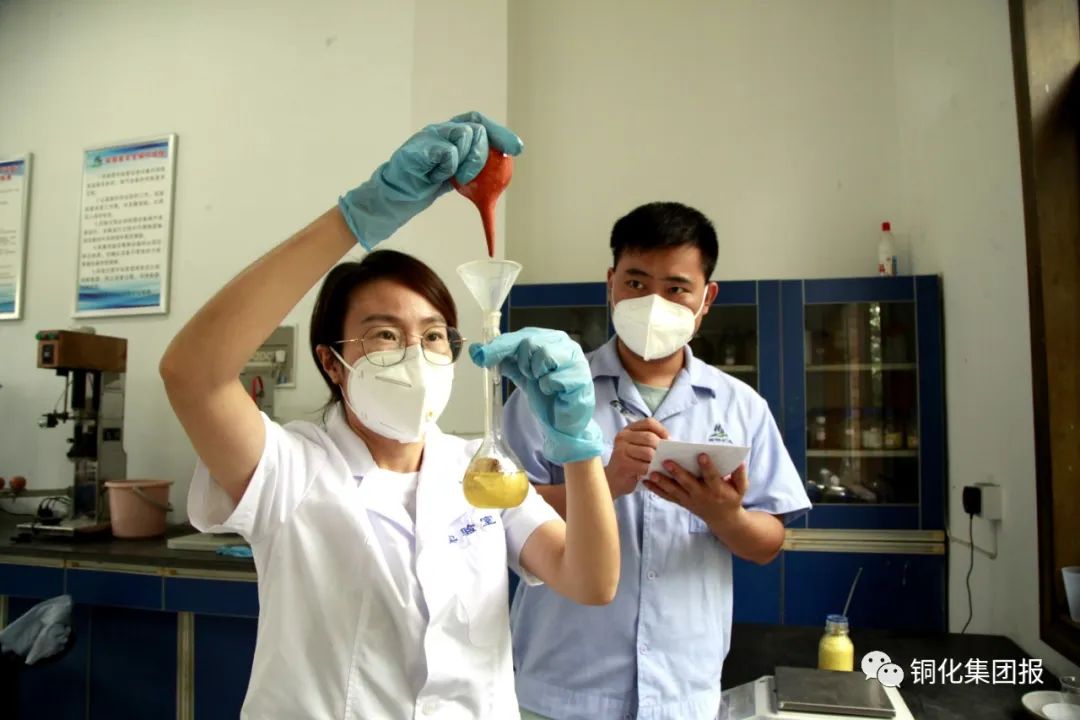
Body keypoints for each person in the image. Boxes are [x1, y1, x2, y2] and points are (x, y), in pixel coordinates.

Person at [158, 112, 620, 720]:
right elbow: (191, 373)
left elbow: (590, 581)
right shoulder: (289, 466)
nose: (415, 354)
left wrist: (578, 445)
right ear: (332, 362)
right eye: (384, 334)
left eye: (433, 335)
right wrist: (356, 217)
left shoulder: (478, 470)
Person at [504, 202, 813, 720]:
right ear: (610, 284)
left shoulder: (740, 407)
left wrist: (725, 516)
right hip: (562, 685)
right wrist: (604, 482)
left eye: (676, 289)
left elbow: (768, 543)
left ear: (706, 298)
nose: (653, 303)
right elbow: (501, 517)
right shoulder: (546, 395)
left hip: (682, 691)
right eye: (636, 283)